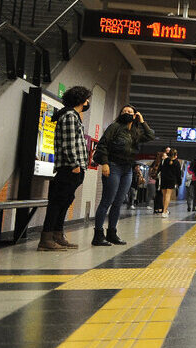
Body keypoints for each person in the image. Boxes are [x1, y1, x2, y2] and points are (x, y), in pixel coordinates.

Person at [92, 105, 155, 246]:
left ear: (135, 115)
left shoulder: (136, 132)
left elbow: (150, 135)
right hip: (113, 166)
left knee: (118, 202)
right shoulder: (114, 127)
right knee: (106, 201)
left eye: (130, 112)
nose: (127, 113)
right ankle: (98, 234)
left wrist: (142, 121)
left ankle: (112, 233)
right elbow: (102, 145)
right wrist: (105, 163)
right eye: (124, 111)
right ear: (120, 114)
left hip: (127, 169)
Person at [39, 86, 92, 251]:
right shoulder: (70, 116)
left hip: (72, 168)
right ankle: (46, 239)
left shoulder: (73, 116)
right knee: (57, 202)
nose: (88, 102)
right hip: (69, 168)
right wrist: (75, 165)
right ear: (81, 100)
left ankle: (57, 234)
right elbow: (69, 144)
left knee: (64, 201)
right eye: (87, 98)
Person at [159, 149, 182, 218]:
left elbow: (161, 169)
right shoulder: (177, 162)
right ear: (176, 155)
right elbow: (178, 174)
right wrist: (179, 182)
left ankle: (165, 210)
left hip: (164, 179)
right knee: (168, 195)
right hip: (171, 180)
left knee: (164, 196)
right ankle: (164, 211)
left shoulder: (165, 160)